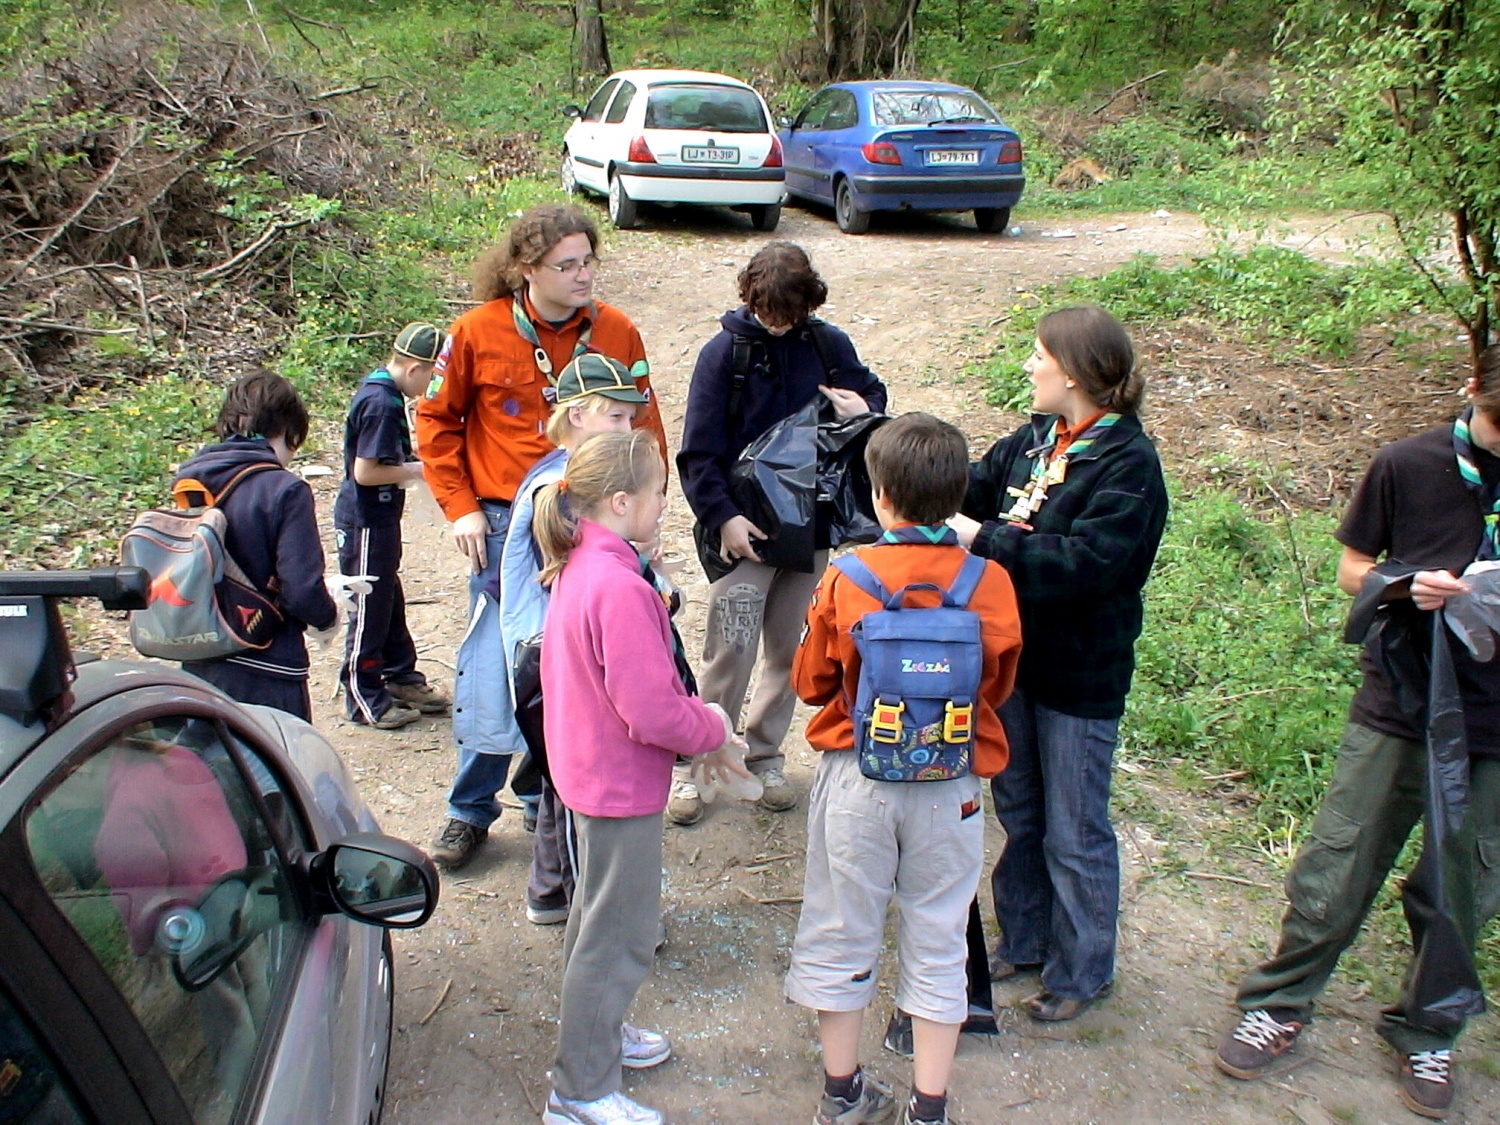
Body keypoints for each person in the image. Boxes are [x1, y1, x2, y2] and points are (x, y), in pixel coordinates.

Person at [1213, 344, 1500, 1121]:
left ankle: (1430, 1027)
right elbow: (1352, 568)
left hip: (1494, 722)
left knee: (1465, 884)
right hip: (1402, 699)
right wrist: (1408, 583)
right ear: (1474, 391)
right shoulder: (1408, 463)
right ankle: (1280, 1001)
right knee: (1339, 861)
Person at [786, 413, 1022, 1125]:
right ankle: (929, 1107)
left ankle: (843, 1093)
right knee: (940, 929)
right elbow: (999, 683)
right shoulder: (992, 581)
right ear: (956, 497)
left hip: (858, 774)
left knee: (842, 920)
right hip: (950, 780)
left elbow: (809, 682)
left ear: (878, 493)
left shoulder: (846, 576)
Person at [416, 204, 666, 869]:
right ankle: (469, 807)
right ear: (526, 270)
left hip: (594, 523)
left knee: (573, 670)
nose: (584, 275)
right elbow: (436, 424)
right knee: (498, 669)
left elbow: (647, 430)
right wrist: (461, 508)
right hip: (504, 524)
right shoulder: (475, 331)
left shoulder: (616, 329)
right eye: (568, 265)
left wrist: (649, 521)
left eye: (589, 261)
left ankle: (544, 798)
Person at [948, 304, 1168, 1023]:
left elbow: (1088, 566)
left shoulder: (1129, 464)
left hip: (1080, 675)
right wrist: (904, 454)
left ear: (1072, 371)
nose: (1027, 365)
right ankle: (1027, 935)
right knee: (1021, 811)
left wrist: (985, 541)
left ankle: (1082, 971)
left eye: (1038, 354)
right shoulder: (1039, 437)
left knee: (1076, 827)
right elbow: (972, 487)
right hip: (1016, 662)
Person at [533, 430, 750, 1125]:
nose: (666, 500)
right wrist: (714, 726)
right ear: (622, 501)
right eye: (659, 490)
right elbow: (651, 708)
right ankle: (581, 1089)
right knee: (618, 933)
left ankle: (595, 1034)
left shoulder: (585, 563)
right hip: (615, 783)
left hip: (585, 772)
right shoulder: (616, 585)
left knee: (594, 920)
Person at [675, 240, 887, 824]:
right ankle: (703, 757)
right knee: (730, 648)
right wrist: (723, 518)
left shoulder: (826, 343)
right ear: (749, 297)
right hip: (744, 530)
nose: (779, 323)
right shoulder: (725, 355)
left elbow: (871, 396)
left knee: (789, 650)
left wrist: (860, 407)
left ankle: (765, 754)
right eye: (769, 312)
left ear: (809, 304)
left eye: (790, 314)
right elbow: (698, 452)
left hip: (809, 530)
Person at [497, 353, 646, 926]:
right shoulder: (558, 491)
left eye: (631, 418)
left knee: (564, 778)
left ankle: (549, 889)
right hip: (556, 662)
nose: (626, 429)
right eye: (614, 417)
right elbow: (579, 590)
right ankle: (598, 916)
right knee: (586, 782)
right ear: (577, 416)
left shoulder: (570, 479)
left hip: (553, 658)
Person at [176, 369, 339, 721]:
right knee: (275, 765)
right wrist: (330, 617)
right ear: (287, 431)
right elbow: (301, 591)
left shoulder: (189, 480)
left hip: (200, 656)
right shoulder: (285, 489)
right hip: (268, 663)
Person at [334, 321, 453, 730]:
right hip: (365, 521)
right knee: (368, 603)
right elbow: (366, 472)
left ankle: (400, 675)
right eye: (434, 378)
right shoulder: (381, 403)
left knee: (389, 598)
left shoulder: (385, 393)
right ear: (417, 368)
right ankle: (363, 695)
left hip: (381, 520)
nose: (432, 388)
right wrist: (424, 470)